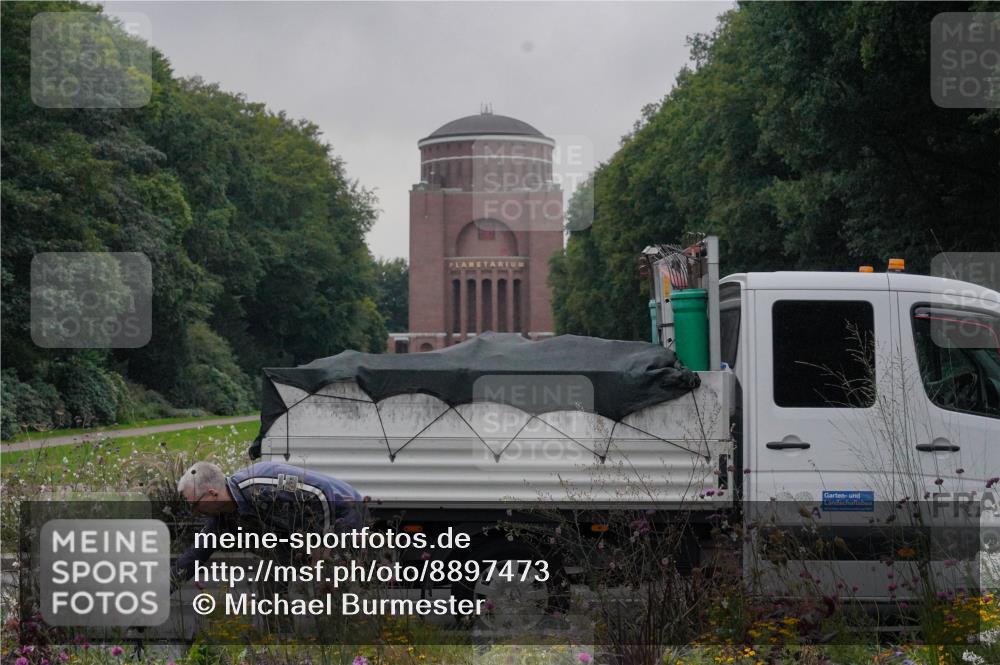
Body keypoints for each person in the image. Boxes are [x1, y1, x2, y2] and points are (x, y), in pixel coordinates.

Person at [172, 460, 364, 586]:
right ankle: (281, 642)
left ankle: (343, 638)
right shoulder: (222, 517)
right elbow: (192, 557)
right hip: (296, 531)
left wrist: (323, 545)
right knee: (269, 582)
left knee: (331, 581)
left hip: (342, 512)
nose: (194, 512)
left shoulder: (260, 484)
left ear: (213, 494)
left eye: (195, 505)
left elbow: (319, 491)